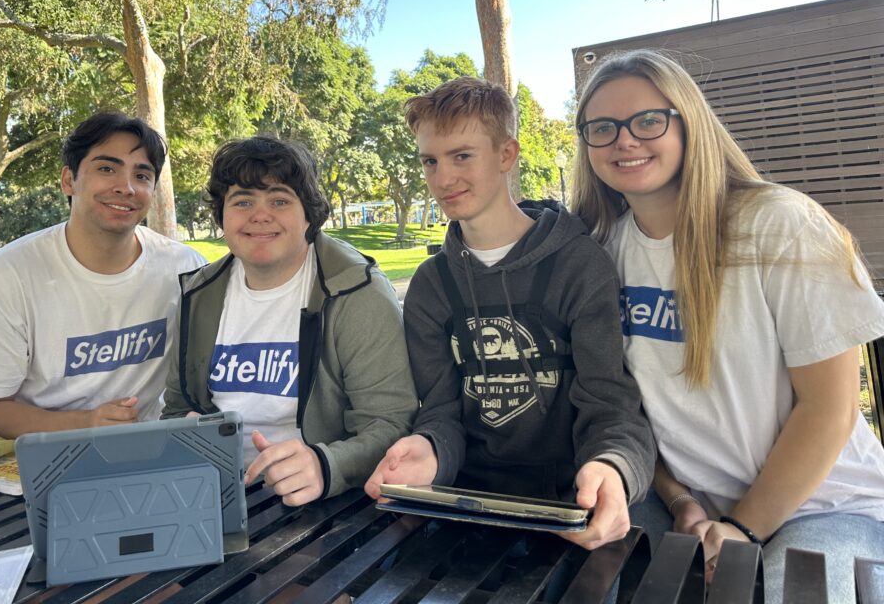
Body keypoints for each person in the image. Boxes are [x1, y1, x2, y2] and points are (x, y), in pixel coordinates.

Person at [571, 49, 884, 603]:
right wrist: (680, 502)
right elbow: (635, 413)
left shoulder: (780, 224)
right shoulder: (603, 254)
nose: (625, 140)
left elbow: (829, 408)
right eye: (603, 127)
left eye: (648, 120)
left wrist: (742, 529)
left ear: (690, 124)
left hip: (829, 505)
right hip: (691, 510)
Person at [365, 77, 655, 551]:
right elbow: (440, 411)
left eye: (462, 156)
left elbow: (610, 402)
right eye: (430, 161)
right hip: (464, 505)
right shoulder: (431, 286)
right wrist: (429, 450)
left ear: (506, 155)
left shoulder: (578, 264)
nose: (442, 179)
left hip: (569, 505)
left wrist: (613, 467)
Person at [162, 136, 417, 507]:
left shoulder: (355, 291)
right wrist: (187, 433)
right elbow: (176, 406)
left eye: (279, 200)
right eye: (242, 201)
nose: (260, 215)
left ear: (309, 214)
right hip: (217, 498)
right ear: (221, 216)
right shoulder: (197, 295)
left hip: (327, 503)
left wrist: (325, 465)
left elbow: (390, 422)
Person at [0, 112, 205, 437]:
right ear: (69, 180)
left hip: (152, 456)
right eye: (107, 169)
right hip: (40, 461)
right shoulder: (4, 278)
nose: (126, 187)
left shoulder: (186, 269)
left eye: (143, 175)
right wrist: (86, 424)